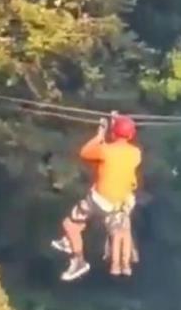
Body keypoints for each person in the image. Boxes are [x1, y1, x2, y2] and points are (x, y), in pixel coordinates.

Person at [50, 113, 142, 281]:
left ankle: (78, 260)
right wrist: (116, 121)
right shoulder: (135, 153)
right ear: (131, 135)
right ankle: (69, 240)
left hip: (100, 200)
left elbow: (85, 152)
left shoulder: (105, 150)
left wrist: (100, 135)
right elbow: (119, 149)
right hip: (119, 204)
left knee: (69, 224)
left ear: (113, 133)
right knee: (78, 224)